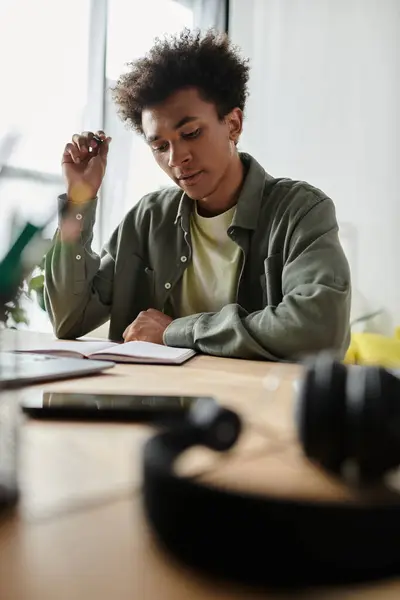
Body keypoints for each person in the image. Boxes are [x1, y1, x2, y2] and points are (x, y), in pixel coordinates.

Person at [45, 29, 351, 361]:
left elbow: (319, 329)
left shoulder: (301, 212)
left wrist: (174, 331)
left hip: (257, 406)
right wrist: (78, 199)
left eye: (191, 133)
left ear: (233, 124)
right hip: (151, 405)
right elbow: (69, 320)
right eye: (160, 146)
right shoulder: (148, 219)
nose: (176, 159)